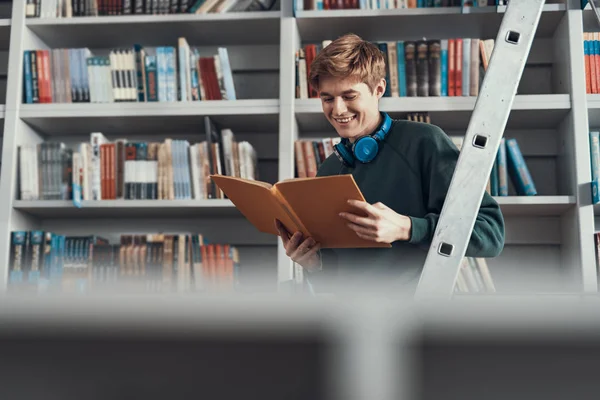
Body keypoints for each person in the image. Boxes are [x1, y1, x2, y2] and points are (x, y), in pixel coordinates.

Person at [275, 33, 505, 294]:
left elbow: (490, 233)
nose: (337, 110)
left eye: (349, 96)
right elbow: (336, 280)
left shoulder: (424, 141)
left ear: (379, 89)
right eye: (327, 98)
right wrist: (314, 265)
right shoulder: (328, 168)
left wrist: (407, 228)